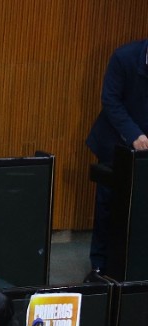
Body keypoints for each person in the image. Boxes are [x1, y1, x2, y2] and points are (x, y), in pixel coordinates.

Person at [85, 39, 148, 273]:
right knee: (108, 205)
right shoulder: (124, 57)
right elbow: (111, 100)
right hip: (115, 142)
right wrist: (135, 135)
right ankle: (99, 266)